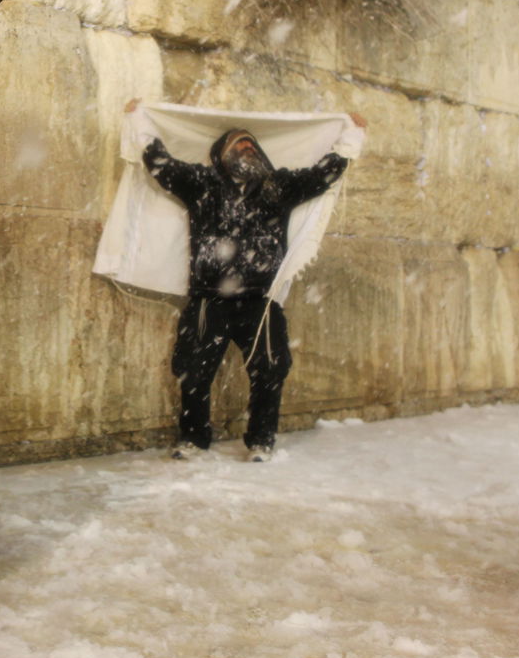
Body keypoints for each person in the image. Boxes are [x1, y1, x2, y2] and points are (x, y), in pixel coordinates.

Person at [133, 105, 366, 462]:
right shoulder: (203, 184)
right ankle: (193, 438)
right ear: (221, 156)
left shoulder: (277, 187)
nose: (247, 150)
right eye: (238, 146)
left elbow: (324, 174)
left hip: (260, 301)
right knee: (193, 371)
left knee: (271, 369)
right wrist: (141, 123)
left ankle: (261, 439)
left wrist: (351, 136)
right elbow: (160, 165)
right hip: (209, 299)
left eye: (251, 145)